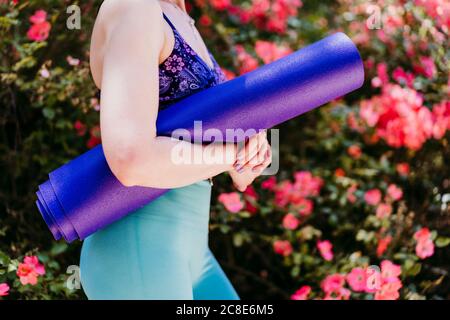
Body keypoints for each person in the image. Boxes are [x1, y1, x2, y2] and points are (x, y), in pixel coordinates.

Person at [80, 0, 272, 300]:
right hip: (139, 248)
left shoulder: (177, 15)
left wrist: (246, 154)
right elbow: (131, 159)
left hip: (192, 251)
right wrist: (228, 155)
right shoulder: (135, 7)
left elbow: (197, 147)